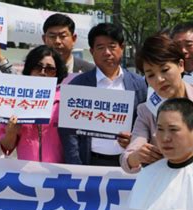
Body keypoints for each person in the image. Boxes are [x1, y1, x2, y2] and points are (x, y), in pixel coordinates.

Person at [120, 34, 193, 173]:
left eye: (165, 70)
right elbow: (127, 158)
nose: (159, 79)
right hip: (174, 185)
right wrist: (136, 157)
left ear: (181, 65)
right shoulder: (146, 110)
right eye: (150, 75)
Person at [59, 23, 147, 166]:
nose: (107, 52)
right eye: (100, 47)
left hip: (128, 163)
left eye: (112, 46)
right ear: (92, 51)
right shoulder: (78, 84)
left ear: (122, 48)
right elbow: (69, 133)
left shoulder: (139, 84)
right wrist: (77, 166)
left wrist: (135, 140)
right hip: (90, 162)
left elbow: (145, 124)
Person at [0, 45, 68, 162]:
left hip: (57, 174)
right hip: (26, 173)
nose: (43, 72)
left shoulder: (65, 100)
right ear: (29, 68)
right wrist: (11, 132)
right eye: (38, 67)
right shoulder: (15, 99)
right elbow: (7, 147)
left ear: (56, 73)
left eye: (50, 69)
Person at [0, 13, 94, 74]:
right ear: (44, 39)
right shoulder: (35, 67)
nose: (57, 41)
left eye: (63, 36)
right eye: (52, 36)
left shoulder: (90, 70)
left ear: (74, 39)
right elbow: (17, 83)